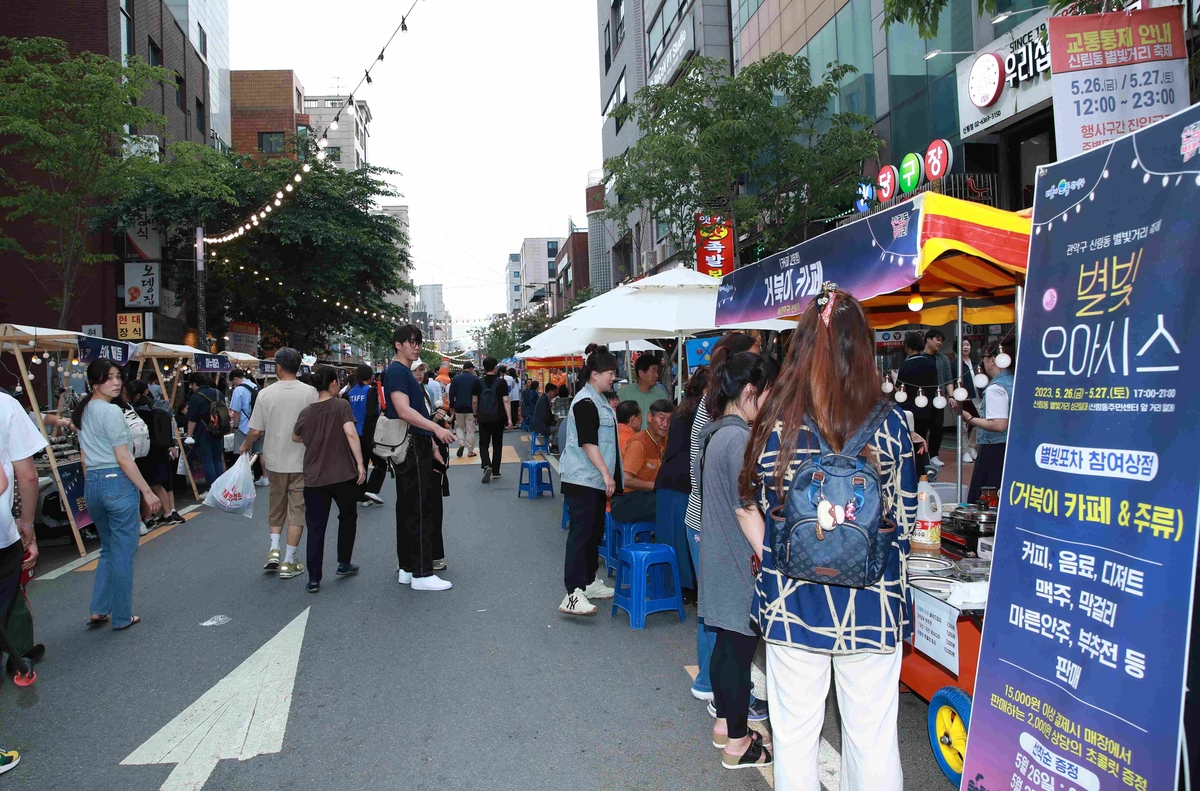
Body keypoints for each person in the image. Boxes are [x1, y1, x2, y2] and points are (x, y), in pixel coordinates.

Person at [740, 287, 915, 789]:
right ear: (863, 350)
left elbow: (751, 502)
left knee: (795, 737)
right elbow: (899, 520)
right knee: (873, 737)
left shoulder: (775, 425)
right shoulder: (893, 426)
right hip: (873, 600)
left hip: (793, 603)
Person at [697, 351, 779, 770]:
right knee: (739, 655)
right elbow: (746, 509)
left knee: (727, 649)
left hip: (717, 553)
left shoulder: (714, 434)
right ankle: (739, 743)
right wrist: (772, 559)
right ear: (750, 392)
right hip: (738, 560)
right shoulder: (739, 440)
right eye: (765, 394)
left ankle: (725, 728)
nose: (768, 403)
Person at [683, 332, 764, 714]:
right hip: (714, 524)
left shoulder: (719, 418)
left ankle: (722, 705)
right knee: (728, 629)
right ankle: (726, 712)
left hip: (710, 519)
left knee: (722, 626)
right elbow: (742, 505)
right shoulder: (729, 428)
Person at [74, 360, 162, 629]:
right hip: (117, 482)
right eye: (108, 378)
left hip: (94, 484)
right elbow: (124, 457)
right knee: (123, 552)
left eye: (117, 377)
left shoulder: (84, 410)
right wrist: (147, 491)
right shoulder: (111, 412)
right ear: (94, 382)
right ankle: (122, 616)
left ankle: (99, 609)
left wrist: (94, 485)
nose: (115, 382)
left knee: (109, 549)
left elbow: (84, 457)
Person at [385, 324, 457, 591]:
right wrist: (435, 428)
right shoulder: (397, 372)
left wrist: (434, 445)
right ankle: (422, 574)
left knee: (408, 509)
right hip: (413, 446)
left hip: (414, 445)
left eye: (418, 342)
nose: (415, 346)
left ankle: (407, 568)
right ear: (398, 344)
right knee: (419, 509)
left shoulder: (400, 371)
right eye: (411, 342)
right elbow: (404, 411)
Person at [238, 348, 317, 580]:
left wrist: (245, 447)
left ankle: (273, 549)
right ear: (299, 366)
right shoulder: (310, 392)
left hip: (273, 460)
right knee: (296, 510)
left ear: (278, 367)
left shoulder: (266, 393)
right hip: (302, 460)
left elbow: (255, 430)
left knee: (276, 504)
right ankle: (289, 561)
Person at [558, 349, 621, 616]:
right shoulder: (585, 402)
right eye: (610, 373)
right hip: (582, 479)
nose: (613, 378)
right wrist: (607, 474)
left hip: (594, 480)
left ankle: (588, 582)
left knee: (594, 533)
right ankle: (572, 593)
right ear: (595, 374)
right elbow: (588, 442)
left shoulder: (601, 400)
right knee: (581, 536)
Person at [293, 366, 366, 594]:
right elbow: (351, 433)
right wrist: (361, 463)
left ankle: (314, 578)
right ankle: (344, 562)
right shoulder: (341, 405)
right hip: (343, 474)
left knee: (316, 527)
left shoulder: (306, 412)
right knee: (347, 516)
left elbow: (295, 436)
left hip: (314, 477)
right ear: (334, 383)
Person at [1, 391, 46, 673]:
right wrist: (27, 525)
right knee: (8, 589)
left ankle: (19, 650)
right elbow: (26, 475)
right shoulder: (5, 405)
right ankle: (18, 652)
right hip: (2, 532)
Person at [655, 368, 709, 597]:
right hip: (685, 480)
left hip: (669, 478)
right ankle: (686, 588)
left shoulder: (683, 408)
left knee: (671, 538)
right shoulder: (702, 410)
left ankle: (672, 586)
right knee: (685, 539)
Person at [957, 339, 1014, 504]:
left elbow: (999, 424)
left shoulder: (996, 388)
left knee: (987, 497)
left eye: (985, 356)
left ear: (993, 359)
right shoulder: (1016, 381)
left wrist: (971, 419)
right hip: (1013, 447)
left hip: (994, 449)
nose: (984, 360)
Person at [129, 381, 181, 534]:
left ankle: (151, 517)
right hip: (162, 449)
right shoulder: (161, 406)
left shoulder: (137, 412)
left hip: (145, 452)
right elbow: (171, 426)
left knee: (148, 484)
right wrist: (171, 444)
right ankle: (169, 512)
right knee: (161, 483)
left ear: (138, 394)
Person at [612, 399, 671, 524]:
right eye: (661, 418)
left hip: (646, 496)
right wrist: (657, 486)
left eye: (669, 420)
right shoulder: (639, 443)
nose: (665, 424)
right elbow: (626, 480)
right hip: (625, 501)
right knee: (670, 501)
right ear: (650, 417)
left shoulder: (666, 441)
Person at [897, 331, 938, 471]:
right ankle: (922, 471)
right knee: (922, 440)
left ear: (907, 347)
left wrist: (894, 377)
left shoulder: (905, 365)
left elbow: (899, 390)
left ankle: (910, 472)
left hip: (908, 412)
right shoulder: (930, 364)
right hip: (926, 410)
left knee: (908, 443)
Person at [345, 364, 386, 505]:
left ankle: (361, 495)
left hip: (353, 434)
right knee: (381, 463)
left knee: (360, 464)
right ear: (370, 376)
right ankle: (371, 490)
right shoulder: (371, 391)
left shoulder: (349, 393)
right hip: (369, 433)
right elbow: (373, 413)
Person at [472, 356, 512, 484]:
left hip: (483, 417)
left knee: (483, 443)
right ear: (495, 368)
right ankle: (495, 471)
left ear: (484, 367)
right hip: (498, 418)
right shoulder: (501, 382)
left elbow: (474, 400)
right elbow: (506, 400)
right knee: (497, 444)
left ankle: (486, 464)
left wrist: (475, 415)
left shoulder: (478, 382)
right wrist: (509, 419)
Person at [184, 373, 227, 490]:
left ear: (194, 383)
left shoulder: (195, 396)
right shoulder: (219, 393)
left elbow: (192, 419)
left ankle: (212, 489)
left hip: (203, 432)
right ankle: (220, 488)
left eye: (191, 385)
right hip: (219, 430)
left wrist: (189, 436)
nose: (191, 387)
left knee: (207, 461)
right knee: (218, 459)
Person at [229, 369, 266, 487]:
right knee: (260, 452)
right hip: (259, 425)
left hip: (245, 426)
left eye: (233, 382)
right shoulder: (255, 386)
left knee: (243, 452)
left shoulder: (238, 390)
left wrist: (235, 426)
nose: (233, 384)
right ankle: (265, 477)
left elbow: (236, 412)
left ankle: (246, 479)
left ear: (235, 379)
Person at [922, 328, 953, 468]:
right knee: (921, 428)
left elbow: (948, 380)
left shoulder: (943, 359)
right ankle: (921, 456)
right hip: (921, 399)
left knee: (937, 428)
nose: (939, 343)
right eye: (937, 340)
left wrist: (951, 396)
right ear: (928, 339)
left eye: (941, 341)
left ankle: (934, 455)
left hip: (938, 398)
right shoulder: (919, 357)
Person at [447, 361, 479, 458]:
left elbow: (451, 393)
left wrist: (452, 406)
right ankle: (470, 451)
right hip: (471, 408)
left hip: (459, 407)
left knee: (459, 427)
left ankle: (461, 443)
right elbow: (478, 395)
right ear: (470, 369)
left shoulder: (456, 378)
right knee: (470, 430)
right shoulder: (475, 379)